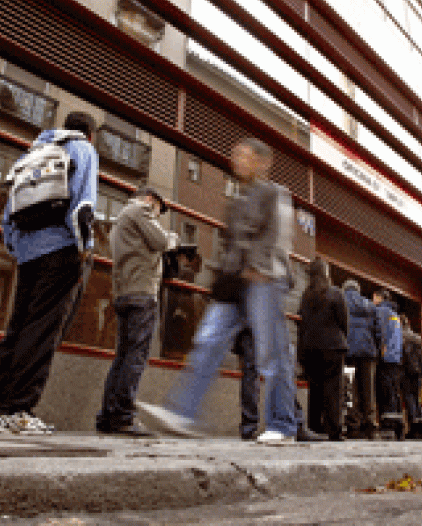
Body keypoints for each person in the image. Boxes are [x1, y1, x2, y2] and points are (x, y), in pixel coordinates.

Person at [138, 137, 301, 443]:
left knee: (272, 354)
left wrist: (261, 268)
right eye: (235, 155)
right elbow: (227, 242)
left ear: (263, 162)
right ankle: (183, 413)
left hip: (264, 279)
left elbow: (278, 234)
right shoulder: (238, 199)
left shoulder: (274, 194)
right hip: (233, 283)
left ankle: (283, 425)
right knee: (208, 342)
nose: (237, 160)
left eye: (245, 155)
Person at [0, 111, 98, 434]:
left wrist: (17, 247)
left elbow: (9, 211)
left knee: (18, 327)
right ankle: (18, 411)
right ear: (89, 134)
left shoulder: (34, 152)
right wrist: (84, 249)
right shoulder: (83, 150)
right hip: (61, 249)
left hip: (28, 253)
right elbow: (83, 208)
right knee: (41, 330)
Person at [95, 185, 178, 436]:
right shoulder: (140, 210)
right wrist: (174, 238)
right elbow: (162, 241)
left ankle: (108, 416)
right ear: (151, 200)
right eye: (158, 210)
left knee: (123, 356)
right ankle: (122, 416)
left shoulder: (120, 219)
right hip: (142, 293)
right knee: (136, 357)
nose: (157, 215)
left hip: (123, 292)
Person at [297, 258, 349, 441]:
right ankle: (334, 430)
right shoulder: (336, 293)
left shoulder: (306, 295)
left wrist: (301, 353)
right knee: (333, 390)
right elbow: (344, 322)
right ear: (326, 273)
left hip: (311, 347)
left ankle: (314, 427)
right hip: (333, 347)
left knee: (315, 390)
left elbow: (301, 324)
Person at [342, 280, 380, 439]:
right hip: (367, 352)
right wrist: (375, 348)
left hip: (348, 351)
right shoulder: (369, 305)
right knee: (368, 389)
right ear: (358, 290)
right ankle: (370, 423)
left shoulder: (341, 301)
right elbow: (378, 330)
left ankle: (353, 424)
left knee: (350, 388)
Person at [373, 289, 403, 440]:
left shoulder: (381, 311)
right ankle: (398, 427)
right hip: (395, 358)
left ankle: (388, 427)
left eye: (374, 297)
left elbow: (380, 332)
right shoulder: (395, 314)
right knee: (394, 392)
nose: (373, 300)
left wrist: (379, 350)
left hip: (385, 358)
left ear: (380, 297)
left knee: (385, 393)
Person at [400, 314, 422, 440]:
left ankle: (414, 428)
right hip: (417, 372)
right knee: (416, 399)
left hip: (406, 371)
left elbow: (403, 355)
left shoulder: (401, 336)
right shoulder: (417, 337)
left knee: (409, 398)